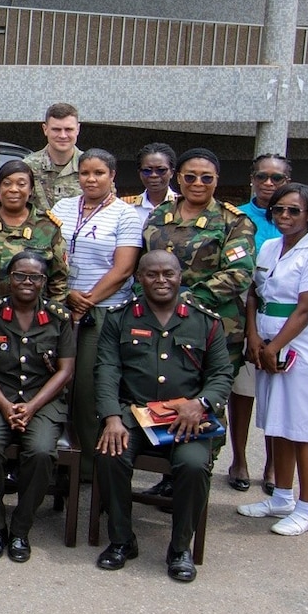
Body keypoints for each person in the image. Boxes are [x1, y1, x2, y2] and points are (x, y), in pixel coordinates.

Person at [93, 250, 231, 583]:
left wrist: (202, 403)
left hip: (188, 417)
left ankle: (180, 548)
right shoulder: (120, 318)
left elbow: (222, 374)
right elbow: (107, 370)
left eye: (168, 274)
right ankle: (122, 540)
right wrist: (112, 417)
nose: (161, 281)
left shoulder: (205, 321)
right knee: (110, 454)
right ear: (139, 278)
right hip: (134, 412)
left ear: (180, 277)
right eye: (152, 274)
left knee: (194, 465)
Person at [143, 148, 256, 494]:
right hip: (162, 325)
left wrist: (184, 300)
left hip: (214, 326)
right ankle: (169, 476)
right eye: (190, 176)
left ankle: (197, 475)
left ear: (217, 180)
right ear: (178, 178)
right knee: (168, 393)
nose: (197, 183)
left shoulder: (233, 221)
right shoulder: (159, 216)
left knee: (208, 399)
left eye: (207, 177)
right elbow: (145, 265)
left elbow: (239, 273)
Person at [237, 183, 308, 536]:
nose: (284, 216)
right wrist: (253, 337)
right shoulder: (268, 247)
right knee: (279, 424)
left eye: (293, 211)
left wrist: (272, 346)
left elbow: (305, 310)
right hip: (266, 341)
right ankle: (281, 496)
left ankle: (307, 508)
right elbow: (253, 294)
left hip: (303, 348)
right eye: (279, 209)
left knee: (305, 429)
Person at [0, 250, 75, 563]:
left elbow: (65, 371)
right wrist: (4, 405)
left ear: (43, 281)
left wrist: (30, 406)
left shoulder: (58, 317)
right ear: (8, 279)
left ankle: (21, 528)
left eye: (34, 277)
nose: (27, 282)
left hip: (43, 401)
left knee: (41, 452)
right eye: (20, 275)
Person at [53, 148, 146, 458]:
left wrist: (87, 300)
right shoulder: (62, 207)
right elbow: (49, 256)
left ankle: (91, 463)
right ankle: (59, 457)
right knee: (56, 382)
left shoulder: (125, 214)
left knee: (88, 387)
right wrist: (68, 294)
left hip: (103, 311)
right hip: (62, 305)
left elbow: (123, 269)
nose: (91, 179)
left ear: (112, 176)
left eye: (99, 173)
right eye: (85, 173)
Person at [0, 160, 69, 350]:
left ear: (31, 189)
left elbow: (59, 279)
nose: (14, 189)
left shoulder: (48, 227)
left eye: (21, 184)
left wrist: (54, 317)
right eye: (7, 183)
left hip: (32, 320)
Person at [23, 103, 83, 213]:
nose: (63, 135)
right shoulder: (27, 167)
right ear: (45, 129)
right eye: (56, 129)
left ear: (78, 129)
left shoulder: (91, 167)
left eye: (69, 129)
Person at [123, 142, 178, 227]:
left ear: (172, 172)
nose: (154, 175)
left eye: (161, 170)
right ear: (140, 173)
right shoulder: (127, 206)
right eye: (147, 171)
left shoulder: (183, 205)